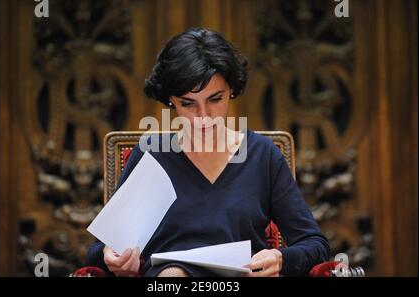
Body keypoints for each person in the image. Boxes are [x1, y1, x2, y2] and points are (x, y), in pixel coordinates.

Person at [86, 27, 330, 277]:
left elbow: (315, 245)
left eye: (215, 99)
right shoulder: (153, 155)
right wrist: (110, 256)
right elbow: (97, 251)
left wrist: (281, 258)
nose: (203, 117)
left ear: (232, 90)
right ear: (171, 100)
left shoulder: (262, 156)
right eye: (188, 104)